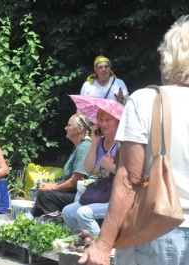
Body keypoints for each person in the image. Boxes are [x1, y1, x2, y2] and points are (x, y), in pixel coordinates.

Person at [79, 16, 189, 265]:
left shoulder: (145, 100)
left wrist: (103, 244)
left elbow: (129, 178)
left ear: (166, 60)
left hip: (156, 229)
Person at [62, 109, 120, 235]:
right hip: (102, 192)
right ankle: (83, 242)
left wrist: (109, 166)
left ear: (118, 121)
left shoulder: (123, 144)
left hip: (117, 197)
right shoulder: (100, 141)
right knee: (68, 212)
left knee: (83, 213)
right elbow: (88, 168)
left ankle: (100, 247)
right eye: (101, 120)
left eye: (108, 120)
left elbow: (131, 174)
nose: (104, 124)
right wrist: (94, 142)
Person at [32, 113, 93, 217]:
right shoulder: (78, 147)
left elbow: (75, 181)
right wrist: (51, 185)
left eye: (69, 125)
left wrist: (51, 189)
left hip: (81, 195)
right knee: (39, 203)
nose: (65, 128)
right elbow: (67, 179)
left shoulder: (84, 147)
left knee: (45, 197)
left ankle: (58, 221)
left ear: (79, 129)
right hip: (72, 192)